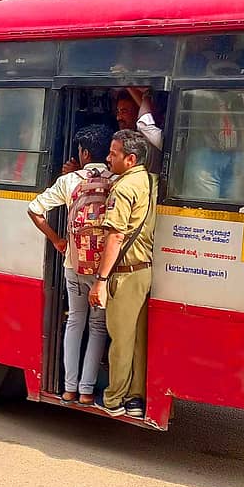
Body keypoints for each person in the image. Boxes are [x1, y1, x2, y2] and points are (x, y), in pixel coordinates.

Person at [27, 125, 115, 406]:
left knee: (75, 321)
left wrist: (57, 241)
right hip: (104, 269)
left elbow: (34, 209)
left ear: (85, 152)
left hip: (74, 263)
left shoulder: (69, 181)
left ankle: (68, 389)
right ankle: (88, 391)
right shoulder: (117, 179)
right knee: (98, 327)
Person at [88, 129, 157, 419]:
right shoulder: (150, 181)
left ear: (130, 159)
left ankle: (114, 399)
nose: (108, 157)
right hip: (145, 271)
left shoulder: (124, 188)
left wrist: (101, 281)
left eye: (114, 153)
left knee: (121, 339)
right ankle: (135, 398)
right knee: (139, 341)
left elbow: (115, 236)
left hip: (126, 273)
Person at [61, 89, 163, 174]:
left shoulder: (150, 142)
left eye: (124, 111)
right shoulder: (117, 141)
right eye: (118, 112)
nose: (119, 117)